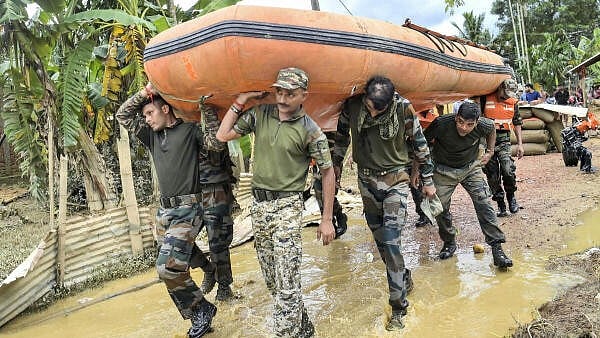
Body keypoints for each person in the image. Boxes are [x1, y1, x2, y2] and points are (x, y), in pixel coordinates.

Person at [216, 67, 335, 338]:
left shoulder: (311, 131)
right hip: (258, 208)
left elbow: (327, 172)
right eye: (279, 92)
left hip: (287, 208)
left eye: (290, 94)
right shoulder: (260, 115)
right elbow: (223, 135)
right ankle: (306, 333)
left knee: (288, 285)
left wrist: (326, 218)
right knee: (274, 284)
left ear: (304, 95)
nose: (282, 99)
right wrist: (242, 99)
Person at [117, 84, 226, 338]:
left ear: (165, 109)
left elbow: (216, 145)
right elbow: (123, 114)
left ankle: (201, 310)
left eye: (150, 113)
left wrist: (206, 111)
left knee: (167, 267)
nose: (146, 119)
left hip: (189, 209)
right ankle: (208, 270)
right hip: (163, 214)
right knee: (177, 259)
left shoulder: (190, 130)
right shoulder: (151, 136)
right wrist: (146, 93)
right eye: (144, 115)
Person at [333, 76, 436, 331]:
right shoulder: (353, 105)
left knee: (391, 240)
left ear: (390, 101)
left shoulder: (403, 107)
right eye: (370, 105)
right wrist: (335, 167)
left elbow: (420, 144)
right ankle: (403, 276)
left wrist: (428, 180)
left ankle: (399, 308)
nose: (373, 111)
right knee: (381, 243)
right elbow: (341, 137)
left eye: (379, 108)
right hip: (366, 182)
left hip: (396, 181)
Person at [424, 102, 513, 269]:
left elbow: (492, 128)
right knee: (439, 207)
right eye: (460, 122)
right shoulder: (441, 123)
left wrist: (490, 151)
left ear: (477, 122)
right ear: (456, 117)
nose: (464, 128)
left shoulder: (484, 124)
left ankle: (497, 248)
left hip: (471, 168)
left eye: (470, 124)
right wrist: (418, 172)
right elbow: (421, 145)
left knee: (484, 202)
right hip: (443, 170)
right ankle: (449, 241)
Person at [481, 79, 524, 217]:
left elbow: (517, 122)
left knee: (508, 169)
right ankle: (500, 203)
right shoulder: (484, 98)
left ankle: (511, 197)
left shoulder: (513, 102)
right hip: (487, 142)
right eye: (505, 93)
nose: (507, 97)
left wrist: (520, 144)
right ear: (500, 88)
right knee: (492, 174)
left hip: (504, 140)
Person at [310, 131, 348, 238]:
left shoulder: (336, 120)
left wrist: (337, 161)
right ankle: (332, 222)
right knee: (318, 190)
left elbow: (344, 136)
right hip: (315, 149)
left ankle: (338, 217)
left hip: (332, 152)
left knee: (327, 190)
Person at [410, 108, 439, 227]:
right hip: (410, 153)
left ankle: (432, 212)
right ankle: (423, 214)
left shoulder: (434, 114)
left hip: (428, 152)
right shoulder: (410, 111)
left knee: (429, 183)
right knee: (414, 185)